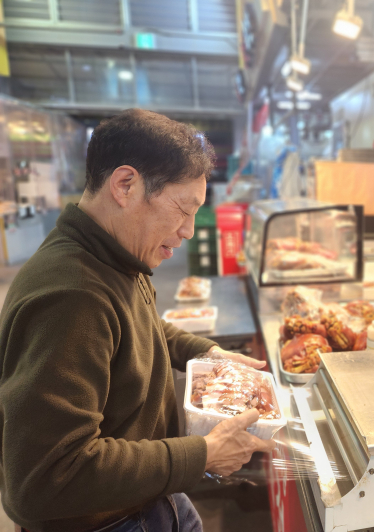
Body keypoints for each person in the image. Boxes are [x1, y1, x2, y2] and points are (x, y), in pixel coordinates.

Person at [0, 109, 276, 532]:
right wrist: (201, 456)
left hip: (146, 495)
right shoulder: (71, 296)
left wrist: (209, 352)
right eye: (183, 209)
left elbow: (141, 329)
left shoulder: (113, 257)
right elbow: (42, 479)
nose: (188, 230)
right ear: (125, 185)